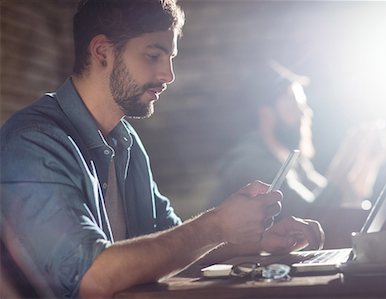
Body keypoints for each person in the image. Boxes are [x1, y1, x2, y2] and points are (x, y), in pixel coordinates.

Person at [0, 1, 324, 298]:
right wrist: (216, 225)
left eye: (170, 58)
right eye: (153, 56)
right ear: (102, 52)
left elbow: (167, 243)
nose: (168, 75)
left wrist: (255, 240)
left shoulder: (126, 141)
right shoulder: (34, 143)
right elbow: (92, 277)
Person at [208, 61, 386, 217]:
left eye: (303, 105)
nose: (304, 112)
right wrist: (346, 156)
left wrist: (367, 162)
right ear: (266, 114)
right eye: (294, 104)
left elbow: (340, 200)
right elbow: (314, 216)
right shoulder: (252, 164)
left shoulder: (294, 161)